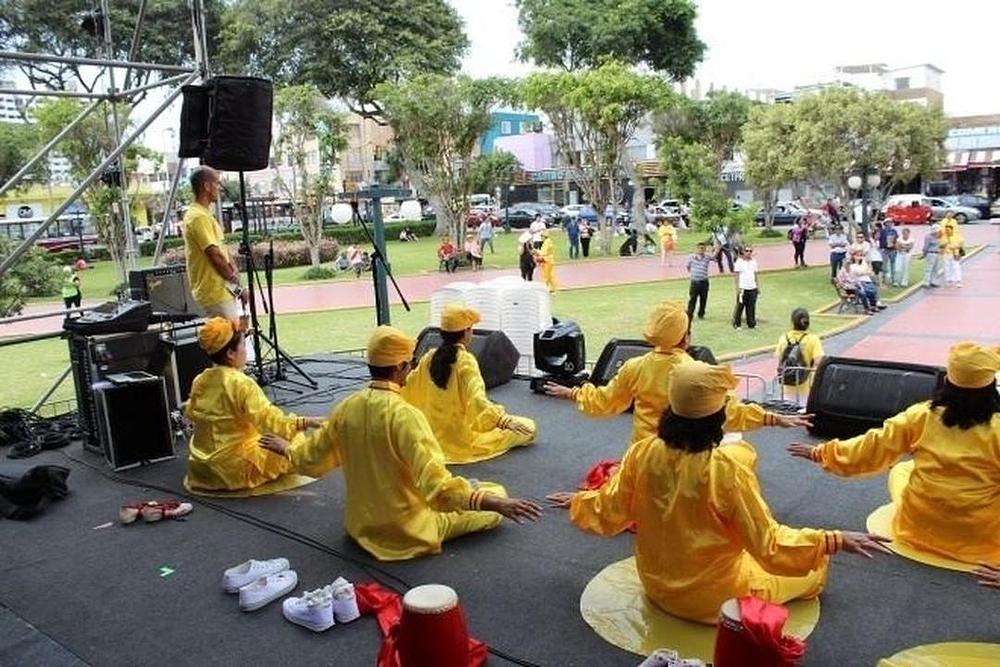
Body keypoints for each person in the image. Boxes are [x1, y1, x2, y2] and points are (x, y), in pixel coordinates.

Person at [548, 360, 890, 624]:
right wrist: (834, 540)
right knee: (816, 572)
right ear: (718, 419)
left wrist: (580, 501)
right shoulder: (726, 472)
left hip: (655, 587)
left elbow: (611, 509)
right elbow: (769, 545)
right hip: (716, 601)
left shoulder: (643, 452)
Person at [259, 325, 543, 561]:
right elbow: (439, 490)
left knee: (473, 490)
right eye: (409, 363)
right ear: (400, 367)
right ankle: (483, 495)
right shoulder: (406, 417)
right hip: (409, 530)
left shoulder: (346, 407)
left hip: (361, 527)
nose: (411, 368)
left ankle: (473, 491)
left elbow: (311, 458)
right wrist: (495, 504)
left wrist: (287, 449)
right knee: (496, 494)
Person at [788, 342, 1000, 565]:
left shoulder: (921, 415)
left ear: (947, 382)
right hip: (981, 537)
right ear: (990, 388)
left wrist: (822, 453)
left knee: (901, 470)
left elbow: (873, 445)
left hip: (918, 527)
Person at [544, 300, 811, 446]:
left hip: (643, 456)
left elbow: (605, 401)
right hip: (683, 458)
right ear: (686, 337)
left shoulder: (634, 367)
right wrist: (773, 418)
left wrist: (571, 392)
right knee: (738, 448)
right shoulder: (695, 373)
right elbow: (729, 413)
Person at [183, 317, 322, 493]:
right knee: (294, 441)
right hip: (234, 469)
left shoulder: (200, 379)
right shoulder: (241, 383)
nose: (246, 351)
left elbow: (191, 414)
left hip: (200, 468)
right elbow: (271, 422)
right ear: (230, 353)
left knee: (266, 437)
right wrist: (306, 422)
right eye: (243, 345)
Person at [401, 305, 536, 464]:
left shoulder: (429, 357)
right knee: (529, 428)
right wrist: (502, 420)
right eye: (470, 329)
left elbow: (407, 387)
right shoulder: (465, 361)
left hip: (430, 436)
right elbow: (477, 399)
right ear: (465, 332)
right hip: (461, 442)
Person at [183, 166, 247, 320]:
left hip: (222, 290)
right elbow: (215, 256)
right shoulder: (199, 217)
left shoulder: (204, 215)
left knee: (237, 336)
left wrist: (238, 288)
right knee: (231, 340)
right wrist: (237, 285)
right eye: (217, 183)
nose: (219, 188)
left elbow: (222, 252)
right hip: (215, 292)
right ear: (206, 186)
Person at [775, 308, 824, 406]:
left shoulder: (783, 338)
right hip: (806, 386)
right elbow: (819, 361)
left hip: (787, 386)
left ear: (792, 321)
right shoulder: (813, 339)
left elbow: (780, 360)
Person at [686, 243, 716, 322]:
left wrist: (718, 248)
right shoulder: (691, 257)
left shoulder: (707, 257)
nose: (701, 250)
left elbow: (714, 257)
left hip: (704, 281)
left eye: (703, 248)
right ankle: (690, 313)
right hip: (695, 281)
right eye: (700, 248)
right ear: (696, 249)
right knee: (692, 299)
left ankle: (701, 314)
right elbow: (688, 266)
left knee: (703, 299)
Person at [844, 250, 881, 314]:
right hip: (857, 283)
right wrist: (864, 272)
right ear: (853, 256)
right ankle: (867, 309)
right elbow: (857, 272)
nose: (859, 257)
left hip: (866, 280)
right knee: (864, 292)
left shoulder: (864, 263)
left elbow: (868, 271)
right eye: (857, 256)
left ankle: (873, 306)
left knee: (872, 291)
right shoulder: (851, 265)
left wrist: (864, 270)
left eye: (861, 256)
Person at [732, 246, 759, 330]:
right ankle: (737, 324)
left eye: (750, 251)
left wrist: (757, 286)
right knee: (740, 306)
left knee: (751, 307)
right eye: (747, 251)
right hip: (743, 287)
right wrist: (737, 287)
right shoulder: (739, 262)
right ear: (743, 252)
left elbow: (755, 274)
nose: (749, 252)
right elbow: (736, 275)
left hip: (752, 287)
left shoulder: (754, 262)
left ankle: (751, 323)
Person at [919, 223, 942, 288]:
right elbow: (926, 246)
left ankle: (933, 281)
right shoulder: (928, 236)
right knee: (929, 268)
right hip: (930, 253)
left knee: (935, 269)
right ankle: (926, 282)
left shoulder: (938, 236)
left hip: (937, 253)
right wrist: (924, 254)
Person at [880, 220, 898, 287]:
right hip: (885, 250)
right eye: (888, 222)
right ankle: (884, 280)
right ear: (885, 224)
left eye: (890, 222)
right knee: (884, 266)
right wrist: (882, 248)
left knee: (893, 265)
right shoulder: (883, 231)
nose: (889, 224)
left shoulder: (894, 231)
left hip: (893, 250)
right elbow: (881, 240)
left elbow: (896, 239)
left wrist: (895, 247)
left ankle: (894, 280)